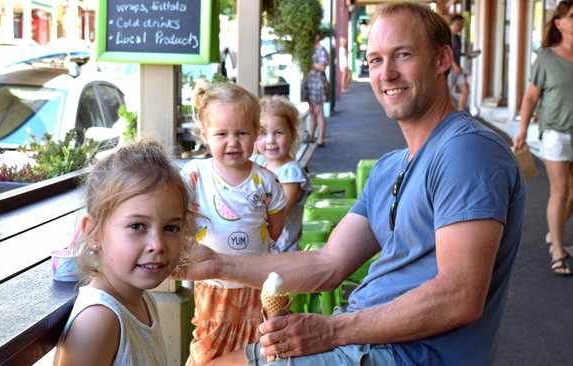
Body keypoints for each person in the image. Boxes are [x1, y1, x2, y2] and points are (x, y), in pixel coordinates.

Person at [177, 3, 526, 365]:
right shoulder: (391, 167)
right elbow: (327, 264)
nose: (386, 73)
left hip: (403, 354)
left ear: (442, 60)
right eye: (375, 60)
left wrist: (331, 330)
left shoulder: (466, 151)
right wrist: (217, 265)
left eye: (402, 55)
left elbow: (460, 296)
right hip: (362, 339)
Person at [54, 140, 195, 366]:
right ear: (93, 232)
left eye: (171, 228)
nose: (157, 244)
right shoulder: (98, 321)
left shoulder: (142, 300)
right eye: (137, 226)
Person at [182, 82, 287, 365]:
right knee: (210, 341)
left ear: (255, 134)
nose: (233, 142)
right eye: (221, 134)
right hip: (213, 283)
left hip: (256, 280)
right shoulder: (195, 176)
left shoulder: (265, 180)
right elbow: (172, 211)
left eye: (242, 133)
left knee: (258, 343)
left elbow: (277, 220)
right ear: (205, 135)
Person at [513, 0, 573, 276]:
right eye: (572, 17)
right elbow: (531, 97)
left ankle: (555, 232)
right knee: (560, 191)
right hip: (555, 134)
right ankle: (558, 250)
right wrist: (522, 129)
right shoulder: (546, 57)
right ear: (559, 23)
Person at [253, 95, 312, 253]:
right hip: (257, 245)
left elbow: (279, 212)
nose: (270, 140)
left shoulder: (290, 173)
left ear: (292, 134)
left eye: (278, 133)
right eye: (263, 133)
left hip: (281, 250)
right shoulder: (255, 162)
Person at [304, 33, 330, 147]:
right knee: (312, 111)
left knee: (319, 111)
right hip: (309, 83)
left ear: (317, 36)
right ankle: (311, 135)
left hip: (318, 83)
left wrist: (310, 64)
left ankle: (320, 138)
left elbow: (322, 67)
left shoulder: (321, 50)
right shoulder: (308, 49)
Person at [448, 14, 470, 111]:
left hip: (457, 68)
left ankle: (460, 113)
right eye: (457, 24)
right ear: (451, 24)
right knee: (446, 93)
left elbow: (456, 52)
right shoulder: (447, 37)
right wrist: (454, 66)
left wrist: (466, 54)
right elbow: (447, 52)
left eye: (461, 25)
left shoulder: (457, 37)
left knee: (465, 90)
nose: (460, 27)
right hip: (449, 68)